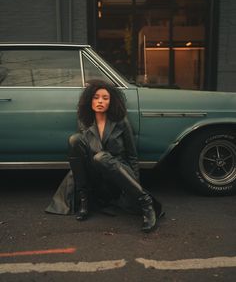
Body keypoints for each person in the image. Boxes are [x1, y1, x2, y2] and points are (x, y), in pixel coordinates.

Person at [46, 80, 163, 232]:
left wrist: (134, 185)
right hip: (96, 175)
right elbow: (82, 155)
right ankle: (84, 200)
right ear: (90, 100)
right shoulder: (84, 121)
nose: (100, 101)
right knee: (74, 140)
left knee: (101, 157)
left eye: (105, 98)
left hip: (116, 172)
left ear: (111, 102)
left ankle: (146, 204)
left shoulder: (121, 122)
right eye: (96, 97)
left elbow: (132, 155)